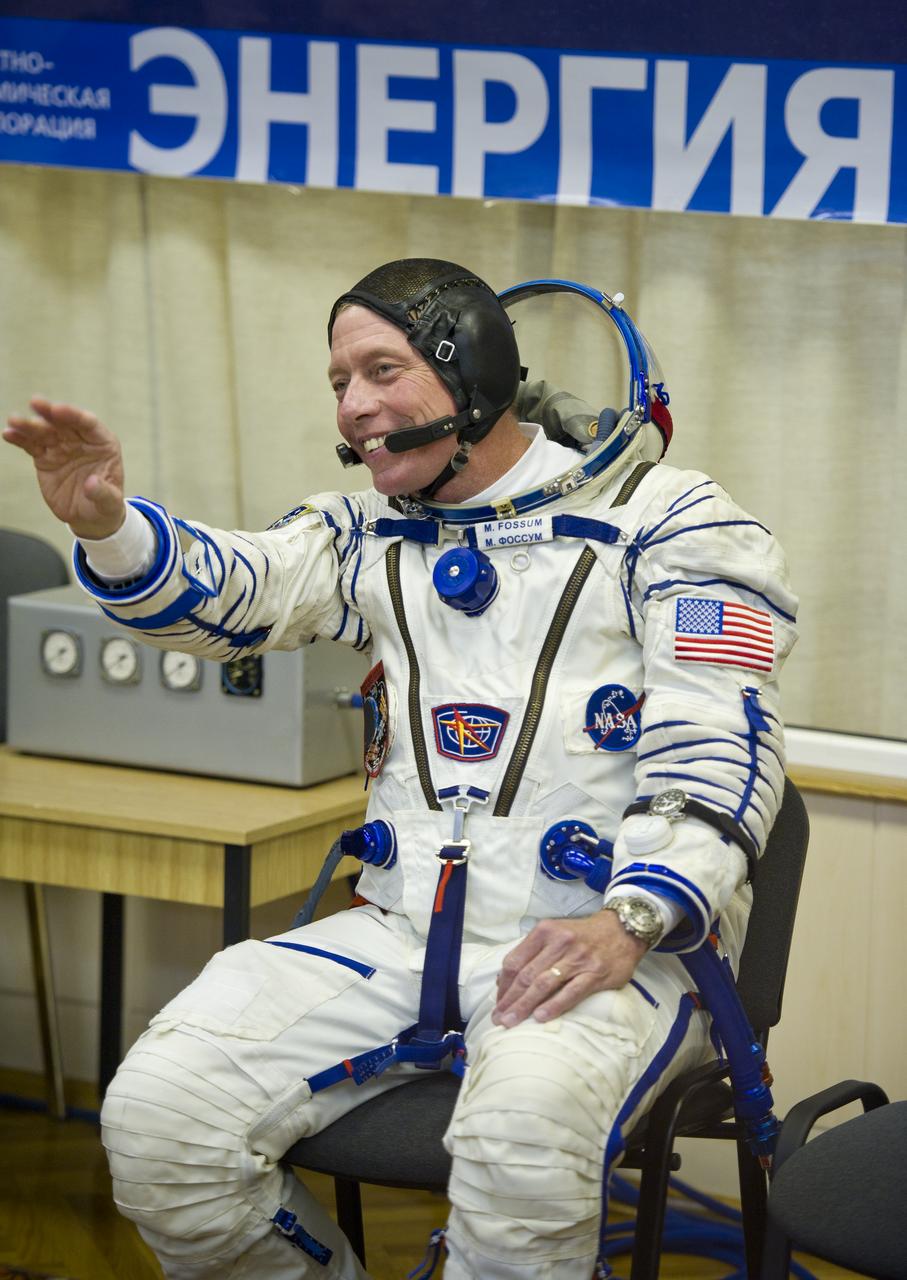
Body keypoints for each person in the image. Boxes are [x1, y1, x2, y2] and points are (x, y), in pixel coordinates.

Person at [3, 258, 797, 1280]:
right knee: (164, 1113)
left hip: (606, 942)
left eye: (381, 369)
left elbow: (720, 743)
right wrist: (106, 523)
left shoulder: (675, 525)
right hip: (404, 930)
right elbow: (231, 590)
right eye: (339, 381)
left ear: (471, 376)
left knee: (520, 1147)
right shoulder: (364, 531)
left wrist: (633, 915)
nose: (356, 406)